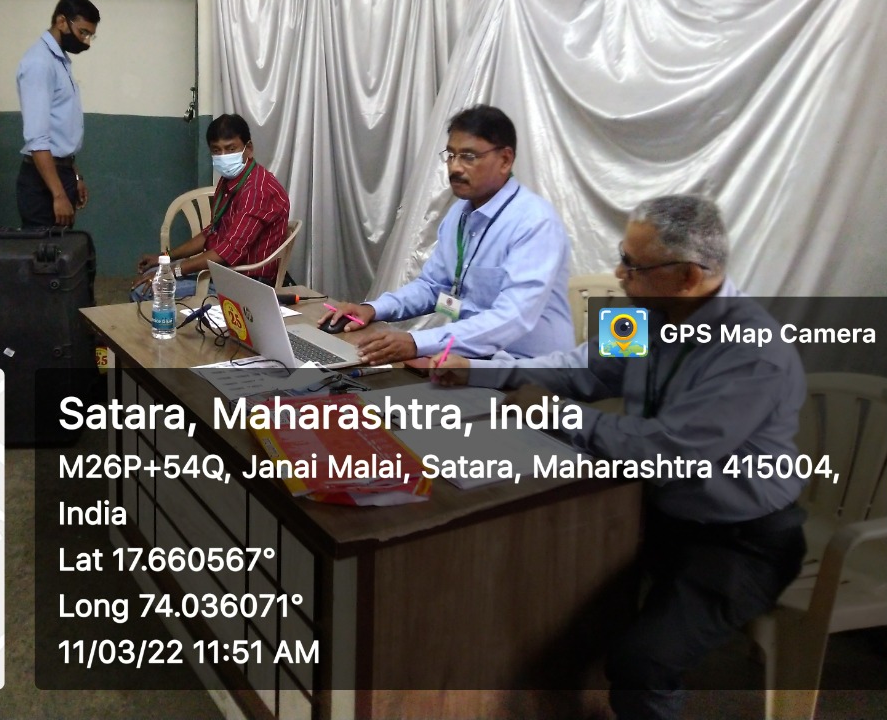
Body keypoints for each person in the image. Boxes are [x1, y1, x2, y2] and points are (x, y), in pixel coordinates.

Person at [414, 195, 807, 720]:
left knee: (643, 662)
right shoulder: (651, 315)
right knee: (544, 579)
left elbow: (664, 450)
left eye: (633, 266)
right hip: (657, 511)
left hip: (737, 539)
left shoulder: (750, 352)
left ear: (688, 276)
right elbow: (586, 371)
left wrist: (554, 413)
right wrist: (480, 370)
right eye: (623, 257)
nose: (619, 274)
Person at [322, 104, 574, 364]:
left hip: (529, 368)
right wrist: (373, 309)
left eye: (468, 157)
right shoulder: (459, 215)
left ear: (505, 160)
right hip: (470, 360)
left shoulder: (535, 223)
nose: (455, 168)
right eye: (451, 155)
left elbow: (512, 317)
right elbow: (433, 288)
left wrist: (416, 342)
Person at [133, 114, 290, 301]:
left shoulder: (257, 190)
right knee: (151, 272)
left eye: (230, 149)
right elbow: (212, 232)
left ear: (248, 149)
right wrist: (164, 257)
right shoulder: (229, 181)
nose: (223, 156)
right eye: (216, 150)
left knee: (146, 290)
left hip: (246, 282)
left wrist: (171, 272)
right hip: (223, 271)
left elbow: (227, 252)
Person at [15, 0, 100, 228]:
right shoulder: (40, 63)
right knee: (45, 250)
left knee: (62, 248)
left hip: (60, 174)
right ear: (62, 21)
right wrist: (59, 194)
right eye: (83, 32)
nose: (86, 42)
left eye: (90, 35)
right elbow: (37, 139)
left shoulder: (58, 60)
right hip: (43, 184)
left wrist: (74, 175)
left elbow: (59, 130)